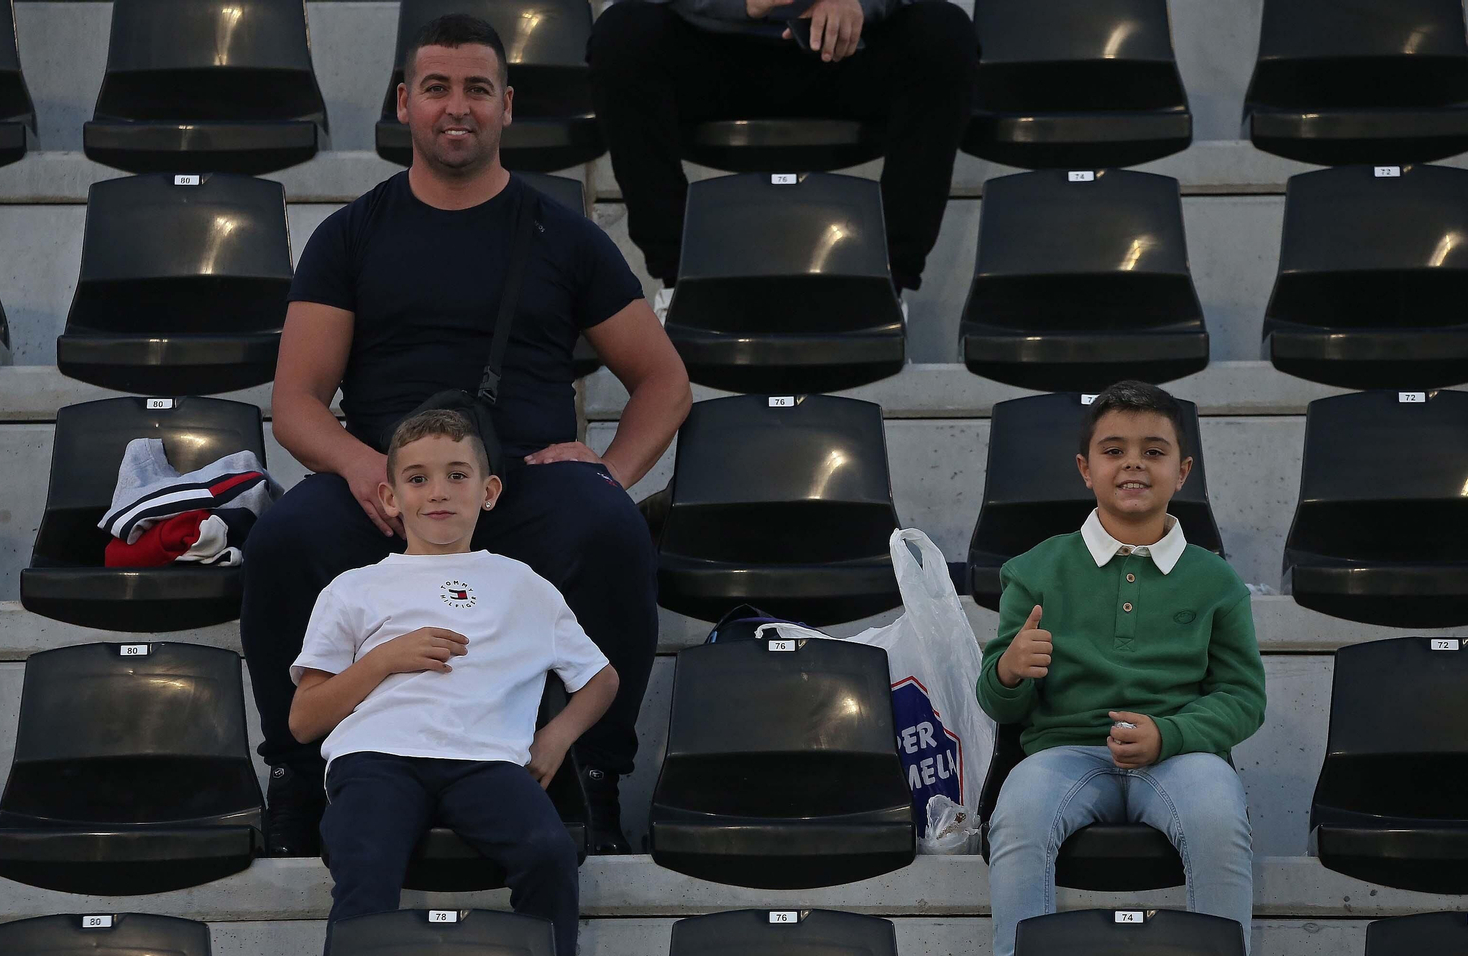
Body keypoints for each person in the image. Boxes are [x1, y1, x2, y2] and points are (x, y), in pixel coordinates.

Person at [241, 13, 692, 858]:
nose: (458, 107)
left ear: (506, 106)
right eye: (438, 88)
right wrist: (361, 466)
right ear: (405, 102)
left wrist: (609, 469)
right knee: (283, 541)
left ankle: (595, 773)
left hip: (516, 482)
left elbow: (665, 382)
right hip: (389, 484)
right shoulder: (352, 233)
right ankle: (298, 776)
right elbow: (297, 402)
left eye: (478, 90)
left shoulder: (564, 233)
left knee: (612, 530)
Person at [291, 409, 619, 956]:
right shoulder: (354, 588)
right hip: (378, 758)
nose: (438, 492)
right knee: (363, 858)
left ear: (488, 491)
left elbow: (601, 679)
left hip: (486, 762)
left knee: (549, 852)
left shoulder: (523, 584)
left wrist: (556, 739)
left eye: (457, 475)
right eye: (417, 478)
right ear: (391, 497)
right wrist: (383, 660)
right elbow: (304, 721)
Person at [976, 381, 1267, 956]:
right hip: (1065, 755)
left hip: (1182, 756)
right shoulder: (1034, 569)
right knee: (1020, 812)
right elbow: (998, 700)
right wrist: (1009, 672)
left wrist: (1171, 733)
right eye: (1114, 451)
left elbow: (1242, 696)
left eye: (1153, 452)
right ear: (1086, 469)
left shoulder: (1217, 581)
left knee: (1218, 818)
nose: (1133, 463)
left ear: (1182, 472)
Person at [587, 0, 978, 293]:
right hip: (716, 53)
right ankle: (681, 282)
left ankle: (887, 284)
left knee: (945, 34)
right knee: (620, 35)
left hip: (845, 49)